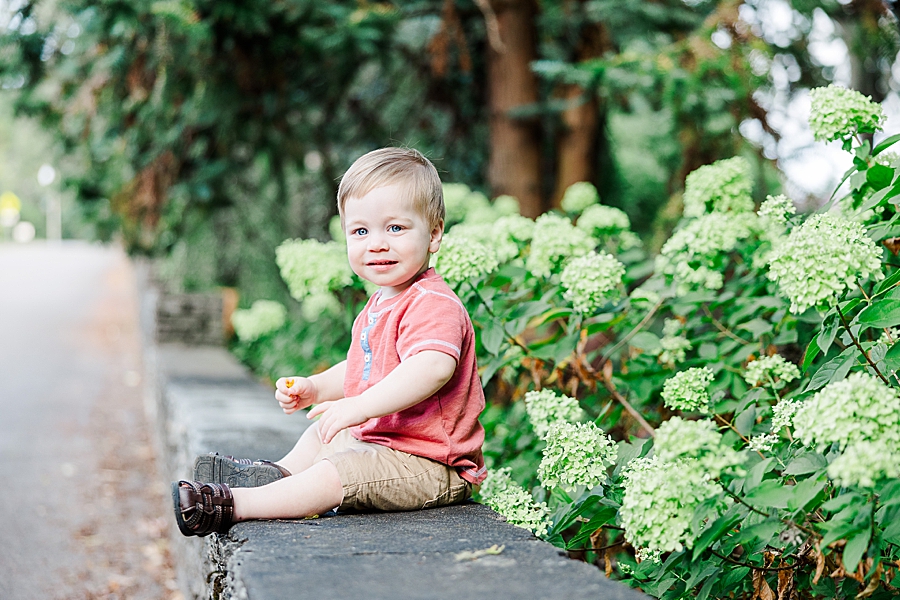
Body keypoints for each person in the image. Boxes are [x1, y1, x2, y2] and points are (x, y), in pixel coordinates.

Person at [173, 147, 487, 537]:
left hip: (431, 465)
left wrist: (359, 406)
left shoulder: (434, 304)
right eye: (360, 231)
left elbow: (432, 368)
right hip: (390, 448)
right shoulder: (380, 303)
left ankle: (234, 505)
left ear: (434, 233)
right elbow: (364, 368)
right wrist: (317, 387)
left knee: (337, 474)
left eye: (395, 229)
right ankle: (277, 476)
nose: (377, 243)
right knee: (325, 433)